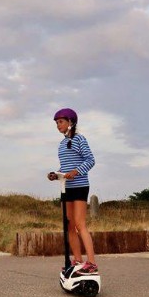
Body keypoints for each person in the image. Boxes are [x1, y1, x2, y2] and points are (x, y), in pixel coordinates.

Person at [47, 108, 98, 274]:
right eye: (56, 123)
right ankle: (77, 259)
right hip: (66, 187)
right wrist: (57, 174)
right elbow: (65, 167)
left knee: (79, 223)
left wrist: (76, 172)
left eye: (60, 122)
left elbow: (90, 160)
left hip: (80, 185)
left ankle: (91, 262)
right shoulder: (61, 144)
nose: (58, 125)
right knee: (68, 224)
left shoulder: (79, 139)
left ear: (71, 122)